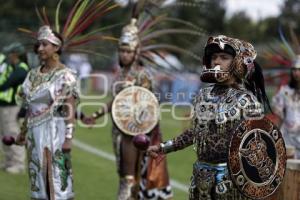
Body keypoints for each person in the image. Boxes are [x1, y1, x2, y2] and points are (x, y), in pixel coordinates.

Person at [147, 35, 275, 200]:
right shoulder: (203, 94)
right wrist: (164, 147)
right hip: (201, 177)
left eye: (224, 57)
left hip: (232, 182)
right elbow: (196, 132)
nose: (217, 62)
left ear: (237, 62)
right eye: (214, 57)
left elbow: (259, 145)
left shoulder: (247, 101)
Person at [84, 18, 173, 200]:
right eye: (122, 51)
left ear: (136, 52)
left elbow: (151, 102)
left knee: (131, 177)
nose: (124, 54)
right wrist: (95, 115)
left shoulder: (143, 74)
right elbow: (115, 101)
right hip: (118, 129)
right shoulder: (121, 74)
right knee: (123, 172)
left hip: (137, 132)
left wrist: (140, 124)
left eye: (128, 51)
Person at [15, 25, 78, 200]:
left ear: (56, 47)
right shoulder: (32, 75)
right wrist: (22, 132)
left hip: (54, 133)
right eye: (39, 45)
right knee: (38, 182)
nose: (40, 48)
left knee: (56, 182)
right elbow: (30, 108)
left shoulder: (65, 75)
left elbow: (69, 108)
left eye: (45, 44)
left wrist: (68, 138)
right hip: (34, 137)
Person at [0, 42, 28, 174]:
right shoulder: (13, 67)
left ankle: (18, 163)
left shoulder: (21, 69)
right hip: (6, 104)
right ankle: (9, 161)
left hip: (13, 106)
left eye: (10, 53)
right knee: (5, 134)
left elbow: (6, 85)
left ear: (16, 54)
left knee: (12, 132)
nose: (8, 56)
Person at [272, 55, 300, 158]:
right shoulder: (284, 91)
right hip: (288, 135)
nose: (296, 73)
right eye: (294, 70)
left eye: (299, 70)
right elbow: (279, 116)